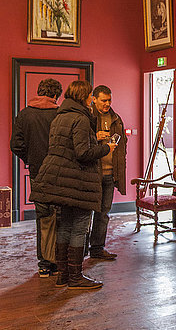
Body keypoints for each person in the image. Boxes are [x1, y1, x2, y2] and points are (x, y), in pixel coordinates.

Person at [30, 80, 116, 290]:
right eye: (89, 95)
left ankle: (63, 275)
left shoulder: (60, 116)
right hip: (77, 182)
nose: (91, 99)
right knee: (78, 228)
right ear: (84, 96)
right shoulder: (81, 118)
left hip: (60, 180)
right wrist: (106, 149)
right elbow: (82, 153)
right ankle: (76, 277)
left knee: (65, 226)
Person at [10, 78, 63, 278]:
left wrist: (30, 159)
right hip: (59, 171)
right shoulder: (59, 114)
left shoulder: (24, 114)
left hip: (37, 171)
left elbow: (16, 145)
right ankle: (60, 260)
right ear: (56, 95)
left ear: (39, 91)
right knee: (61, 215)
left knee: (43, 216)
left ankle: (44, 263)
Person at [89, 85, 127, 260]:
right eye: (103, 100)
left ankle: (97, 249)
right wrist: (94, 137)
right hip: (91, 172)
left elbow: (122, 145)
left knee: (104, 213)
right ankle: (80, 251)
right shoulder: (87, 117)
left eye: (109, 100)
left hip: (110, 173)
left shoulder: (116, 119)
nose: (107, 103)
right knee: (85, 213)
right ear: (94, 99)